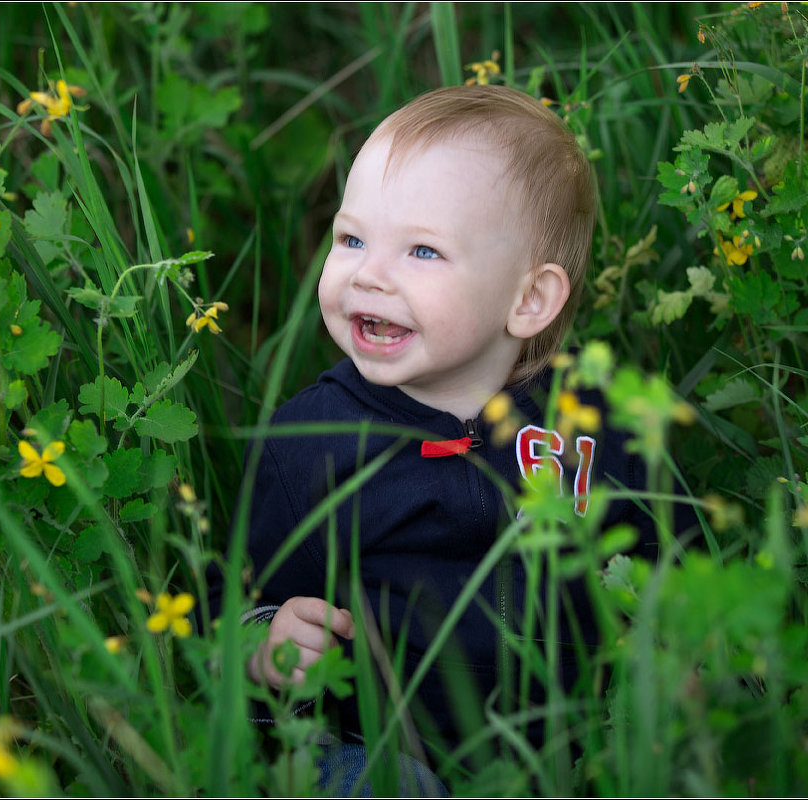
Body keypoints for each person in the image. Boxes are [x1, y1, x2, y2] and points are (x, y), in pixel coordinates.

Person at [221, 84, 675, 793]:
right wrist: (268, 642)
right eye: (352, 238)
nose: (369, 273)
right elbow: (236, 607)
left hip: (581, 746)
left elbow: (669, 561)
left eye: (423, 251)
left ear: (529, 299)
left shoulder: (595, 425)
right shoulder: (308, 443)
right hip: (377, 748)